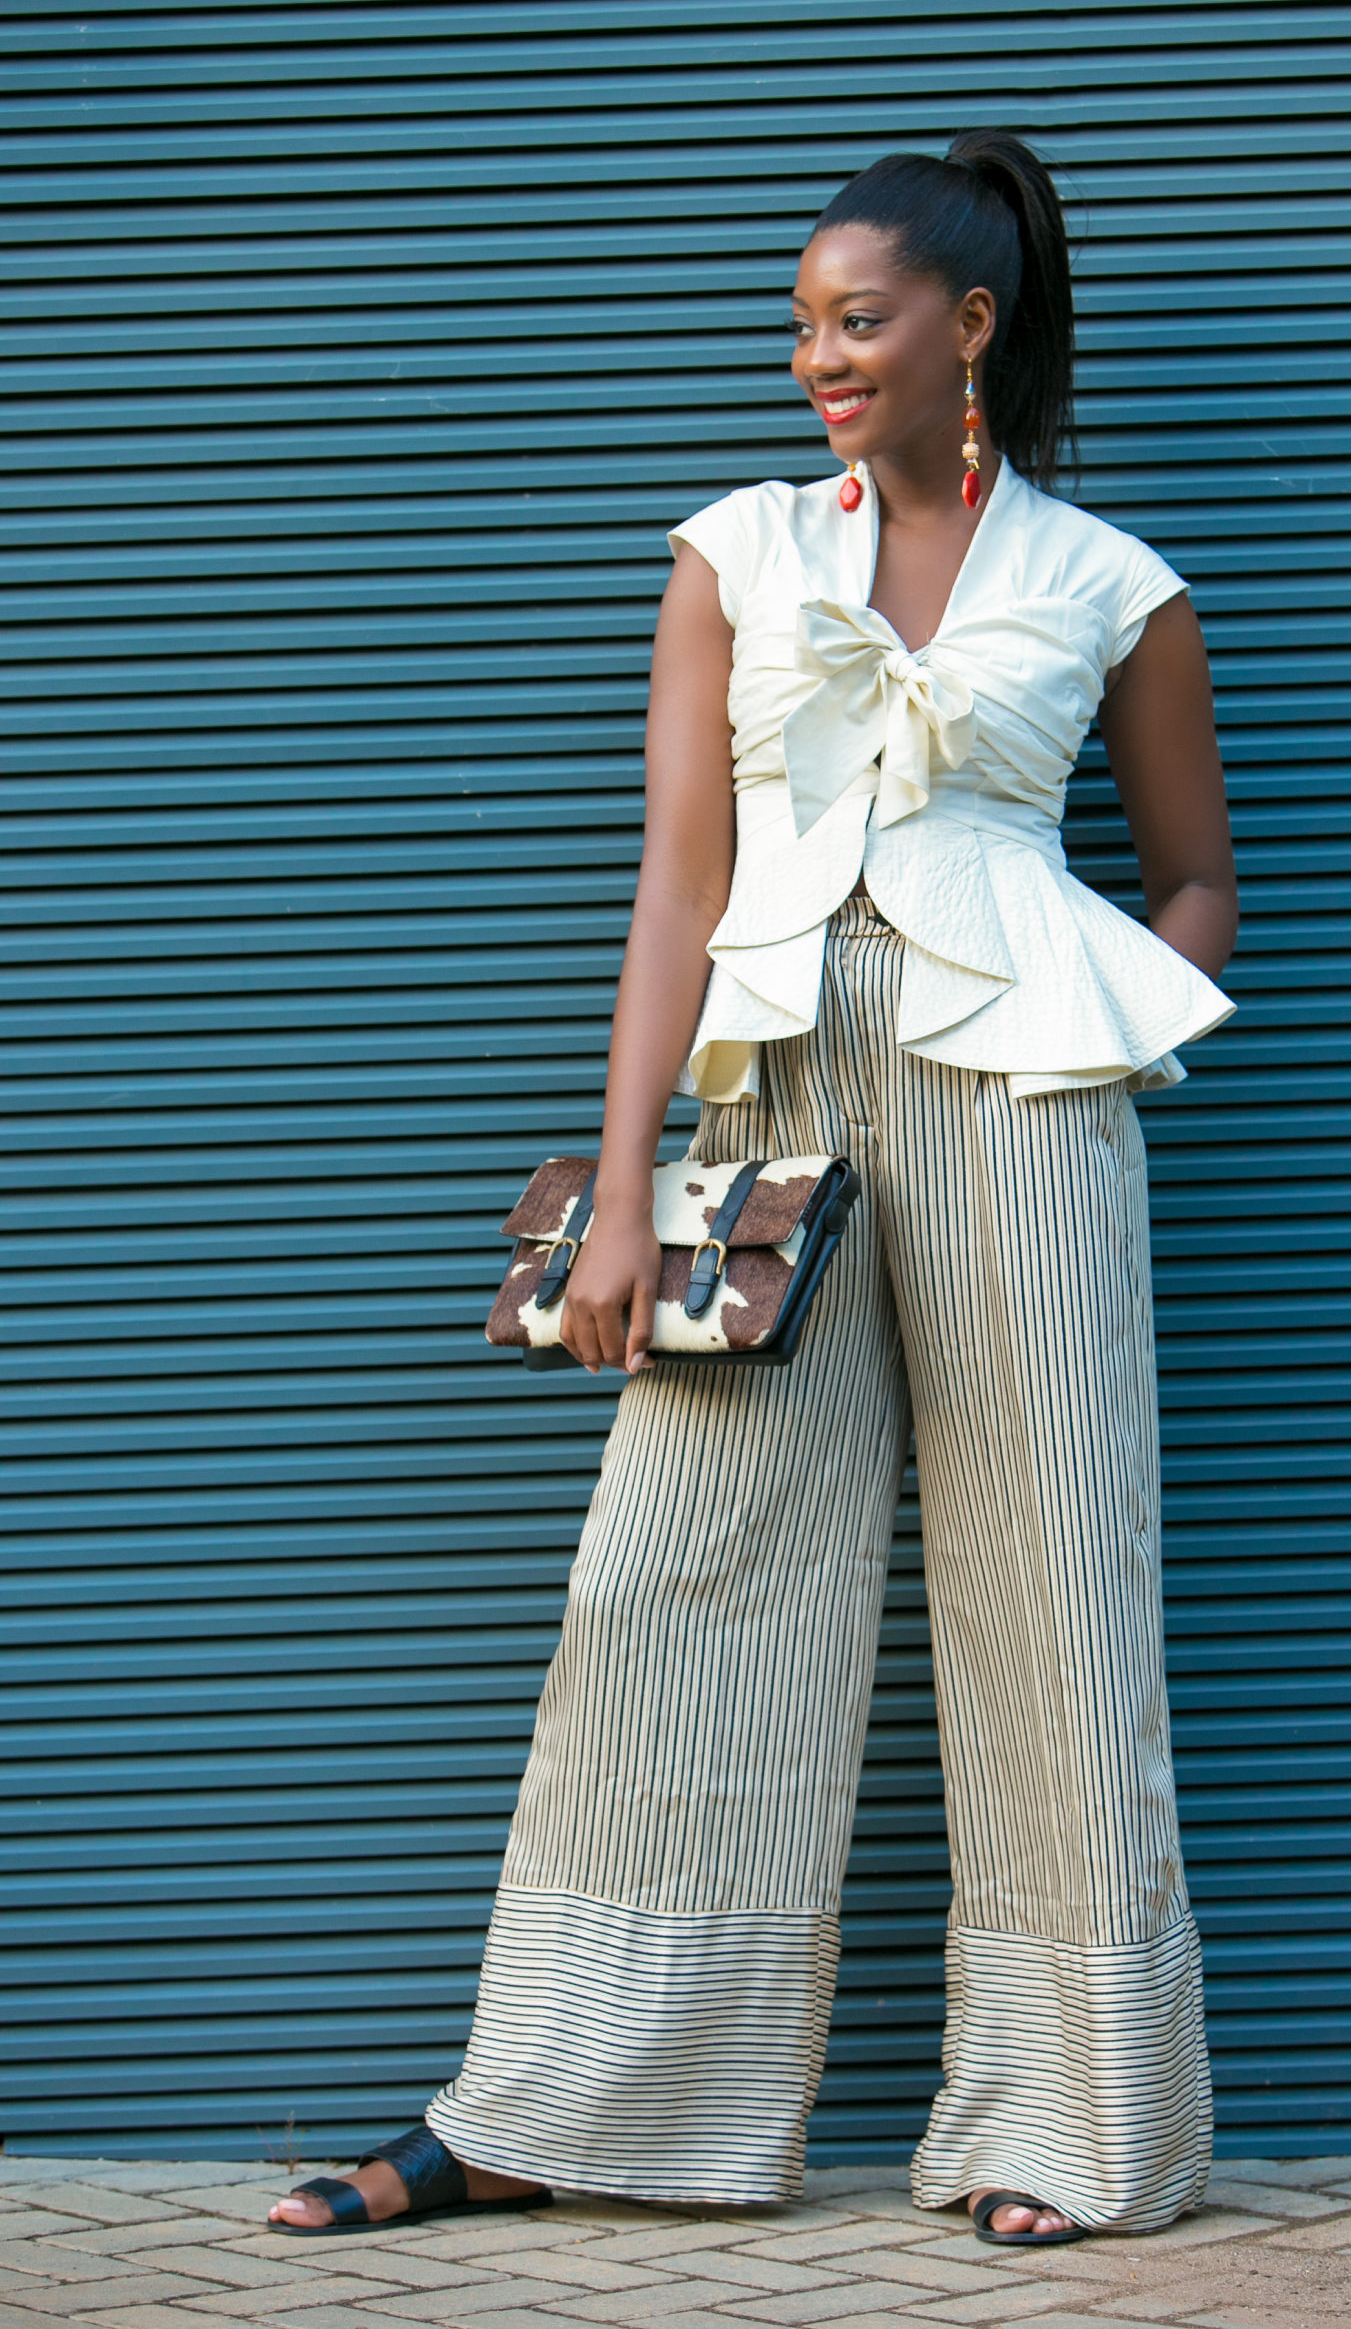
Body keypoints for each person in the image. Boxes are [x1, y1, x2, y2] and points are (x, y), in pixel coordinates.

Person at [269, 129, 1238, 2251]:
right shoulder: (736, 549)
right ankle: (554, 2103)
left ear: (966, 327)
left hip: (1024, 1107)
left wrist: (1103, 1015)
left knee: (1059, 1593)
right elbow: (678, 884)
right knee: (676, 1581)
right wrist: (624, 1187)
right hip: (777, 1092)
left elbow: (1198, 879)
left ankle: (1075, 2121)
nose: (817, 355)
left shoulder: (1110, 582)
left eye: (856, 319)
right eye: (800, 322)